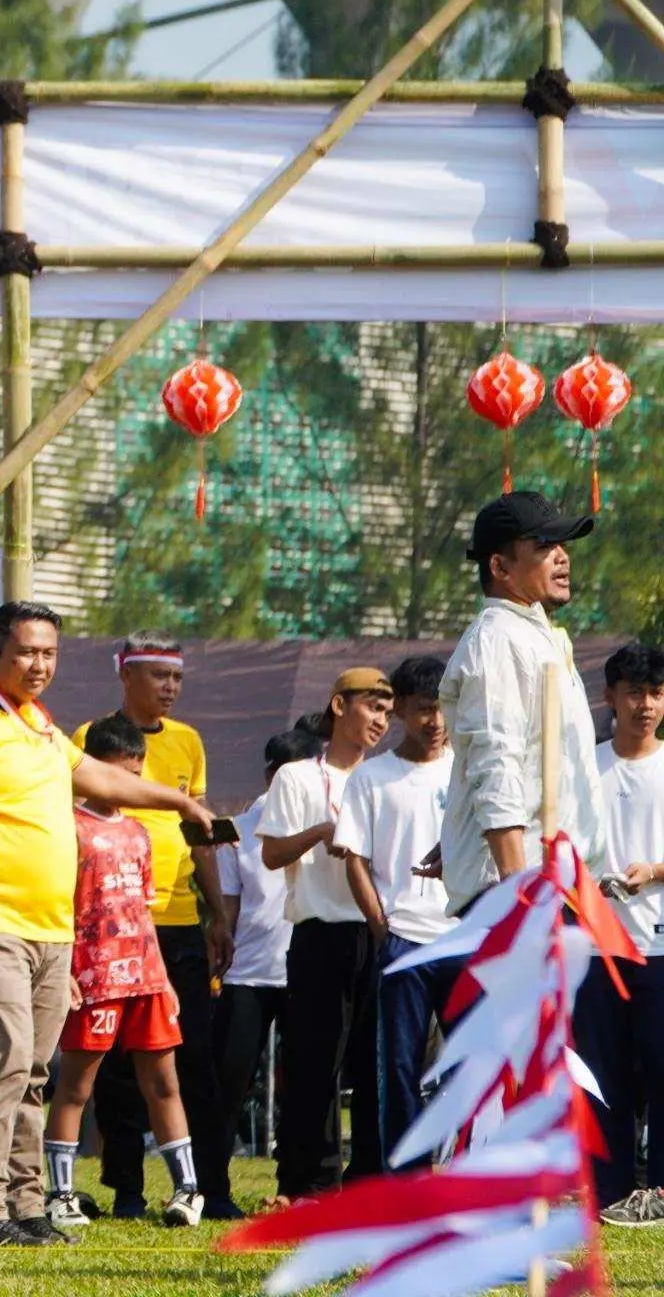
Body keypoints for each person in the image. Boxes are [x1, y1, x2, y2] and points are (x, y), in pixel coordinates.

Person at [0, 601, 214, 1248]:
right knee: (4, 1061)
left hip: (55, 934)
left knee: (33, 1072)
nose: (39, 664)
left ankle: (28, 1208)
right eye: (27, 651)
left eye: (50, 653)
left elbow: (105, 779)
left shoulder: (46, 731)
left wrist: (179, 802)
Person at [70, 632, 227, 1220]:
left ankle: (206, 1189)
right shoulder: (88, 737)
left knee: (190, 1059)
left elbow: (198, 834)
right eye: (159, 675)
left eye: (177, 677)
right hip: (110, 925)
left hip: (178, 923)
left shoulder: (189, 741)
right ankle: (127, 1191)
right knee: (114, 1067)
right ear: (126, 676)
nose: (170, 687)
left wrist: (218, 913)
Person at [43, 717, 205, 1231]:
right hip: (93, 979)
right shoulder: (67, 827)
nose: (128, 785)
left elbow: (141, 913)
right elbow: (56, 907)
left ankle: (187, 1190)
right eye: (120, 774)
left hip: (146, 979)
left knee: (164, 1083)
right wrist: (64, 970)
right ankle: (60, 1194)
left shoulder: (138, 832)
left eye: (137, 776)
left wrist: (165, 980)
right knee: (76, 1087)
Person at [257, 668, 394, 1202]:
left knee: (377, 1062)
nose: (381, 721)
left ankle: (370, 1179)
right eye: (372, 707)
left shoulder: (386, 777)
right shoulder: (297, 777)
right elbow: (272, 854)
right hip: (320, 932)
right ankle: (309, 1182)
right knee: (315, 1063)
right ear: (340, 706)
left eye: (388, 712)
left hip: (381, 930)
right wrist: (321, 832)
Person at [440, 491, 610, 918]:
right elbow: (495, 764)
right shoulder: (498, 640)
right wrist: (518, 895)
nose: (562, 557)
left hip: (554, 887)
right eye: (544, 545)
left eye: (562, 544)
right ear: (500, 567)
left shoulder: (534, 636)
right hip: (524, 895)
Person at [329, 657, 455, 1172]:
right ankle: (409, 1179)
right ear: (400, 709)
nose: (435, 721)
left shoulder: (468, 770)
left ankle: (467, 1177)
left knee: (471, 1064)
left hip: (464, 936)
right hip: (403, 940)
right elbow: (354, 858)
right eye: (424, 709)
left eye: (443, 708)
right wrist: (383, 928)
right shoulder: (372, 777)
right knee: (399, 1066)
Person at [215, 727, 318, 1194]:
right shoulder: (238, 832)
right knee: (230, 1080)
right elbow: (227, 909)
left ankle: (295, 1186)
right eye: (284, 776)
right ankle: (213, 1186)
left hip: (306, 970)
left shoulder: (326, 824)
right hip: (248, 974)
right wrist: (219, 944)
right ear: (270, 776)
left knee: (305, 1086)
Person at [587, 643, 664, 1221]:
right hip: (596, 948)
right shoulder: (583, 768)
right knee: (603, 1075)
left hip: (659, 946)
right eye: (635, 692)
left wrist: (654, 872)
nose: (647, 705)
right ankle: (607, 1190)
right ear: (610, 696)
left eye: (657, 693)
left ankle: (658, 1192)